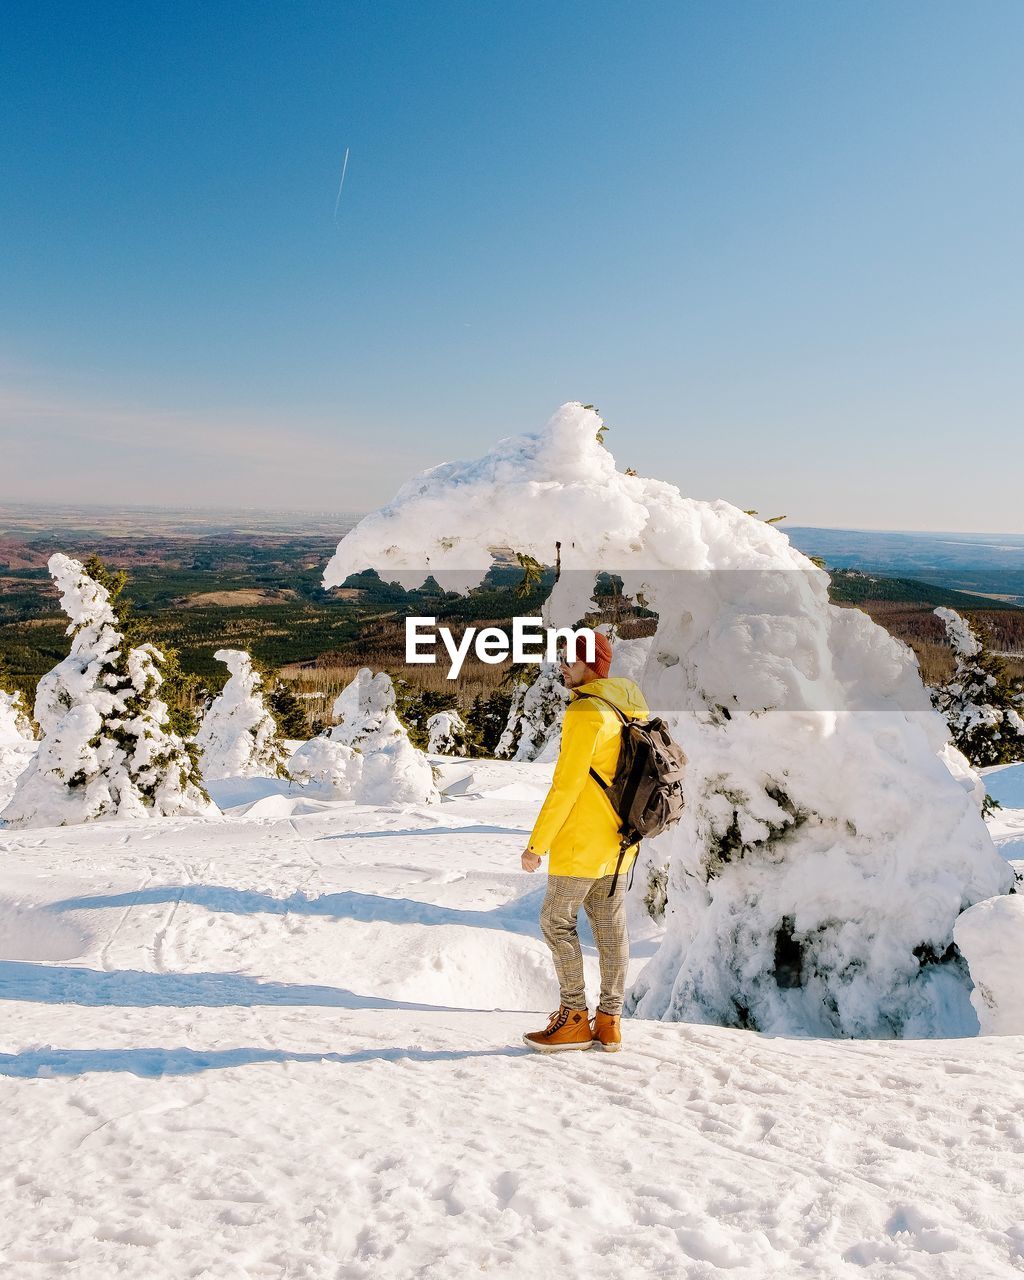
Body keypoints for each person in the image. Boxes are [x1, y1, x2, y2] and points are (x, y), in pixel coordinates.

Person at [520, 631, 649, 1053]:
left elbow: (566, 786)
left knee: (555, 921)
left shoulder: (585, 712)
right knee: (612, 931)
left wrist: (537, 845)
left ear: (592, 664)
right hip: (622, 841)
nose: (562, 666)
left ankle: (574, 1017)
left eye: (570, 661)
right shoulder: (629, 703)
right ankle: (609, 1021)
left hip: (580, 843)